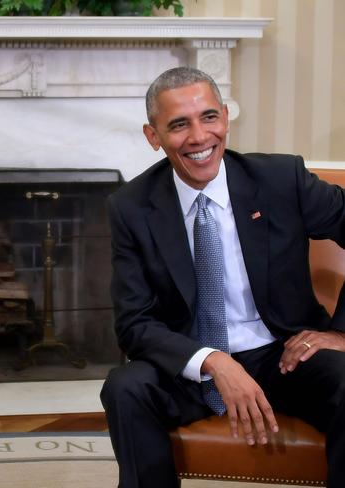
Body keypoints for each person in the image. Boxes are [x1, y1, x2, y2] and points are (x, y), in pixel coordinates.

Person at [100, 66, 345, 487]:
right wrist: (214, 362)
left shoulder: (282, 179)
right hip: (192, 364)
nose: (199, 137)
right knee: (125, 386)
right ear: (153, 136)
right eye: (179, 124)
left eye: (209, 117)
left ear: (225, 118)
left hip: (283, 353)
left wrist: (343, 334)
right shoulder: (131, 207)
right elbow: (133, 322)